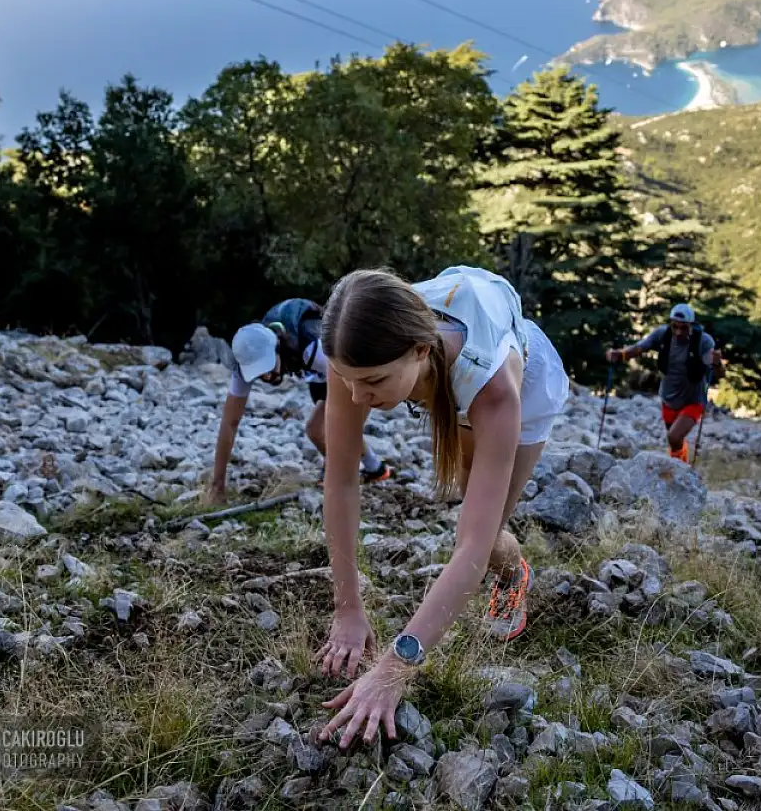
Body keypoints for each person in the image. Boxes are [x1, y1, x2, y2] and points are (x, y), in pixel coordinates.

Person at [314, 265, 569, 750]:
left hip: (524, 380)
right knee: (470, 513)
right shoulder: (352, 347)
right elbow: (342, 480)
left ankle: (514, 574)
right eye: (347, 379)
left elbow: (471, 547)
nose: (356, 396)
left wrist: (394, 668)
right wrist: (347, 608)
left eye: (372, 382)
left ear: (419, 350)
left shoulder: (493, 389)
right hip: (443, 371)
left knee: (482, 535)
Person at [203, 298, 391, 507]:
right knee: (317, 432)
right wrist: (217, 485)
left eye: (268, 367)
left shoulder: (313, 347)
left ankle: (347, 479)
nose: (266, 377)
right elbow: (229, 423)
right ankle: (375, 469)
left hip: (354, 369)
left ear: (278, 347)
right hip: (320, 374)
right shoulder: (246, 359)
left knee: (331, 429)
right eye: (258, 373)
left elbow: (358, 378)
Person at [606, 303, 718, 462]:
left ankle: (680, 469)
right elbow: (639, 348)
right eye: (675, 326)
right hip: (668, 398)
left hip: (693, 400)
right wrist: (620, 354)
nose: (678, 331)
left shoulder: (703, 342)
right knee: (674, 442)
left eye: (683, 328)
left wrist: (717, 363)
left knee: (674, 436)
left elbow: (716, 370)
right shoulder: (662, 335)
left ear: (691, 325)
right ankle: (680, 465)